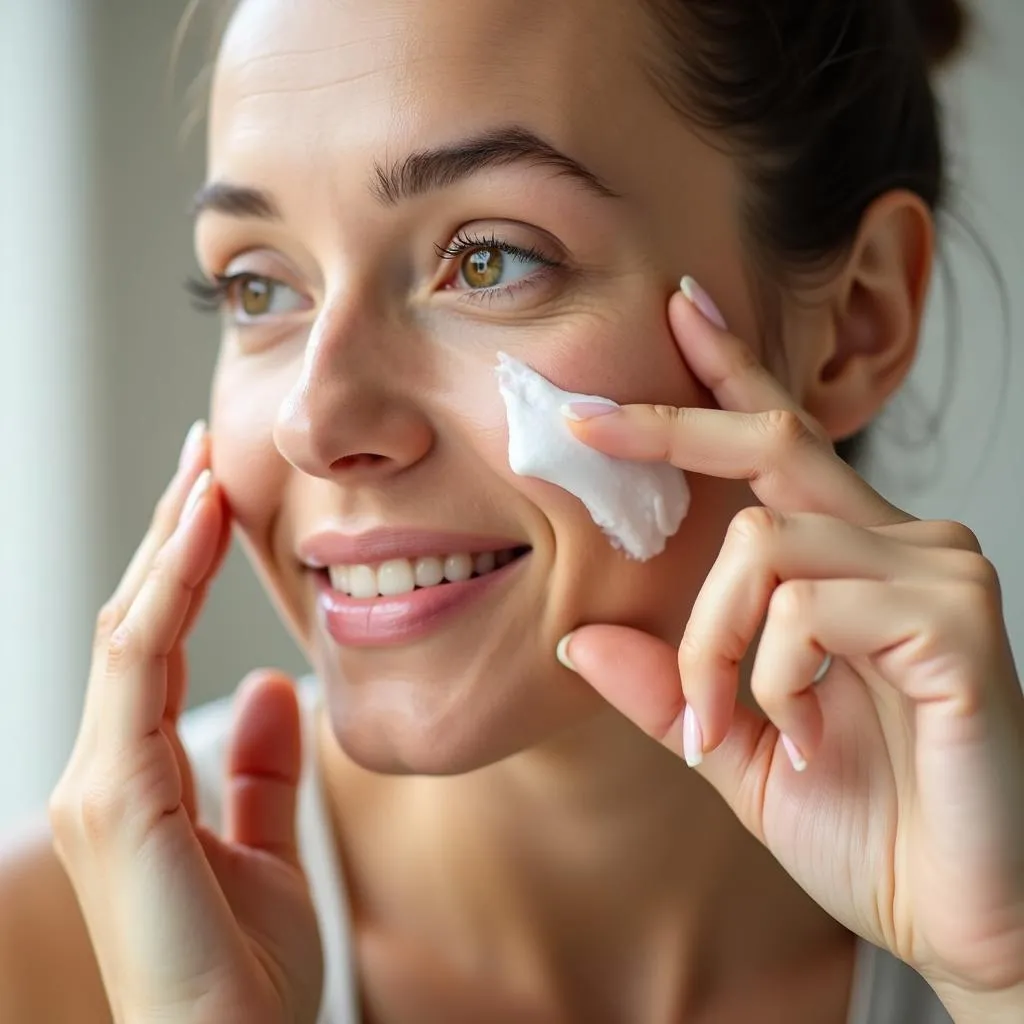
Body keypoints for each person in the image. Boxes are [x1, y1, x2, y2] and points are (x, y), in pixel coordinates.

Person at [1, 0, 1022, 1020]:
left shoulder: (993, 919)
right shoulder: (43, 961)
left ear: (854, 323)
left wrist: (1000, 980)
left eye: (488, 259)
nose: (314, 420)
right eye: (258, 286)